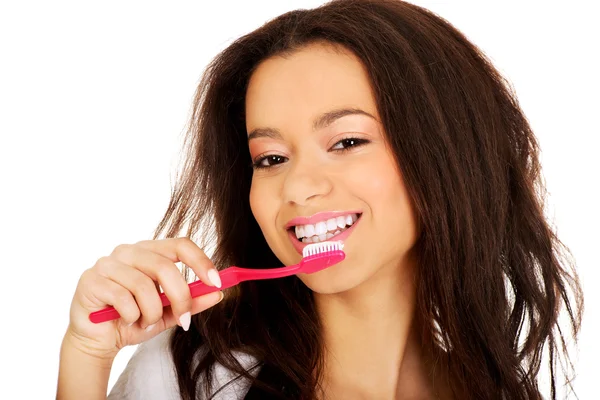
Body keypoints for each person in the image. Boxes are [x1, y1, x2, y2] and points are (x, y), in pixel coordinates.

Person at [56, 0, 584, 399]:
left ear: (444, 156)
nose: (299, 187)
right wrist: (85, 357)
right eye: (270, 158)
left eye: (347, 142)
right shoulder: (195, 375)